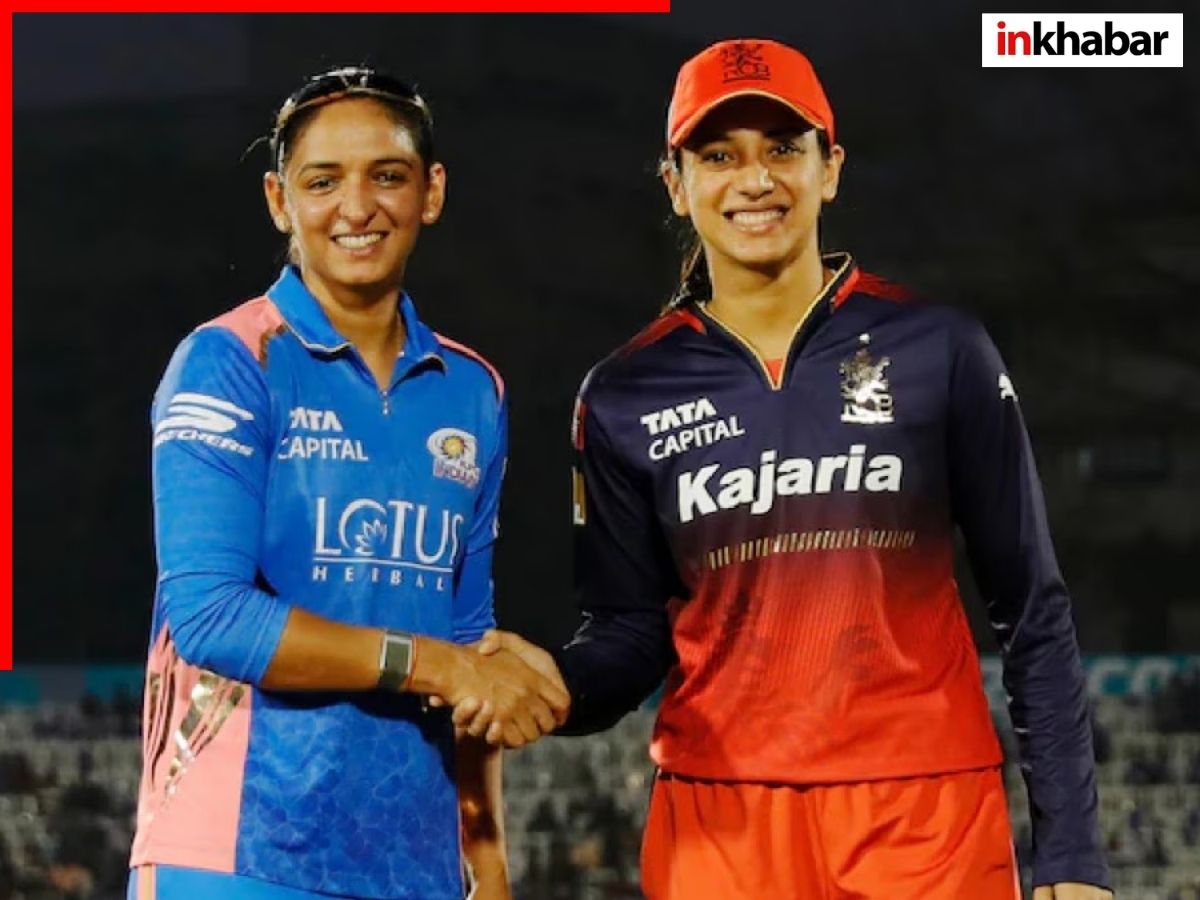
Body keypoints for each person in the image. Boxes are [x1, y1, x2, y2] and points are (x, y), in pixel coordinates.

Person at [463, 39, 1112, 899]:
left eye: (781, 148)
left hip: (923, 817)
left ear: (829, 169)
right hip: (720, 827)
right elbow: (630, 632)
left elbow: (1031, 605)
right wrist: (558, 684)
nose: (755, 180)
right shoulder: (624, 393)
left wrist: (1073, 855)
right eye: (719, 156)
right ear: (676, 184)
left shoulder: (941, 349)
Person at [127, 66, 568, 900]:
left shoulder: (473, 391)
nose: (356, 208)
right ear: (279, 200)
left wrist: (485, 853)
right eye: (323, 181)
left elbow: (469, 639)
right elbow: (213, 617)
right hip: (236, 853)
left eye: (387, 176)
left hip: (415, 864)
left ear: (432, 192)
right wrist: (436, 666)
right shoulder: (228, 361)